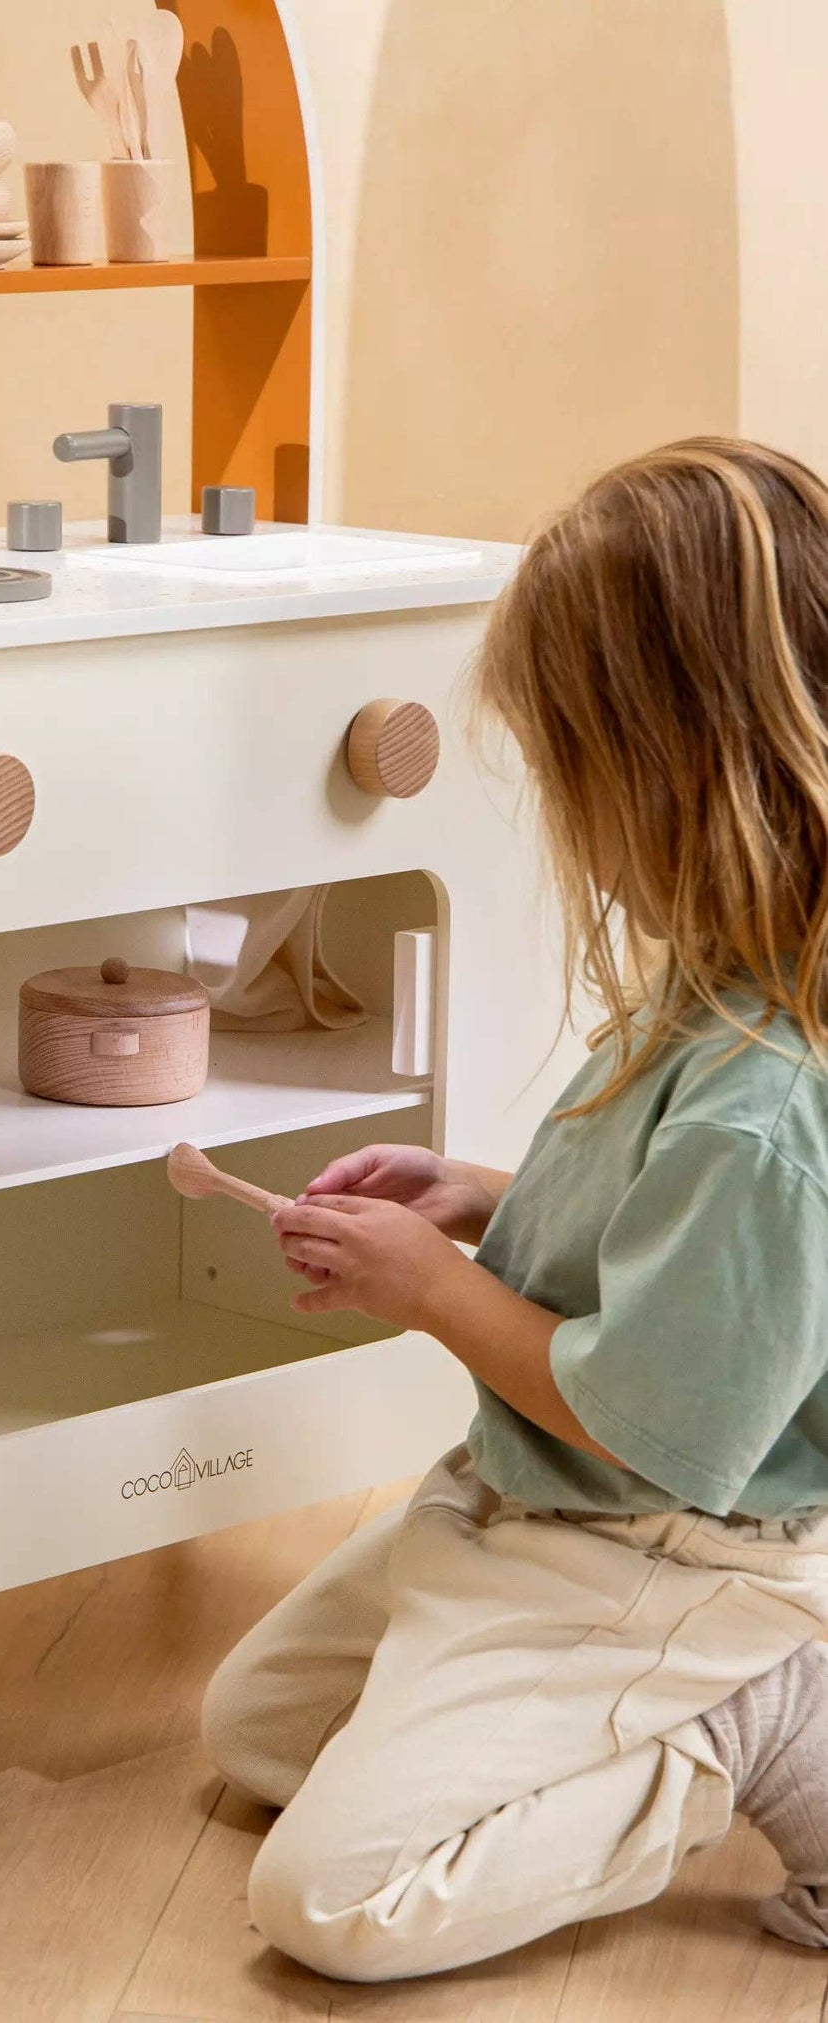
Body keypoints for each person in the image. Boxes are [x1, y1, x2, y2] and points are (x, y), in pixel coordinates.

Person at [202, 439, 828, 1981]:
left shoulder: (767, 1098)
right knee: (256, 1735)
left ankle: (752, 1719)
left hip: (669, 1544)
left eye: (565, 770)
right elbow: (667, 1237)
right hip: (527, 1500)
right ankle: (583, 1697)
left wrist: (426, 1287)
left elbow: (654, 1424)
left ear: (671, 771)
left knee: (333, 1905)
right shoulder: (724, 971)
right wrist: (482, 1201)